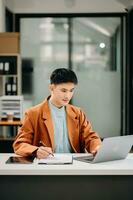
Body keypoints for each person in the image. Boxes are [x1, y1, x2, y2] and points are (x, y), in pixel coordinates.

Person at [13, 68, 101, 159]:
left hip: (75, 164)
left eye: (71, 90)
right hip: (47, 165)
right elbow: (19, 144)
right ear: (51, 88)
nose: (68, 96)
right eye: (63, 90)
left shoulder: (78, 113)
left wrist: (97, 147)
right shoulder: (32, 113)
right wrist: (35, 150)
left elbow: (90, 137)